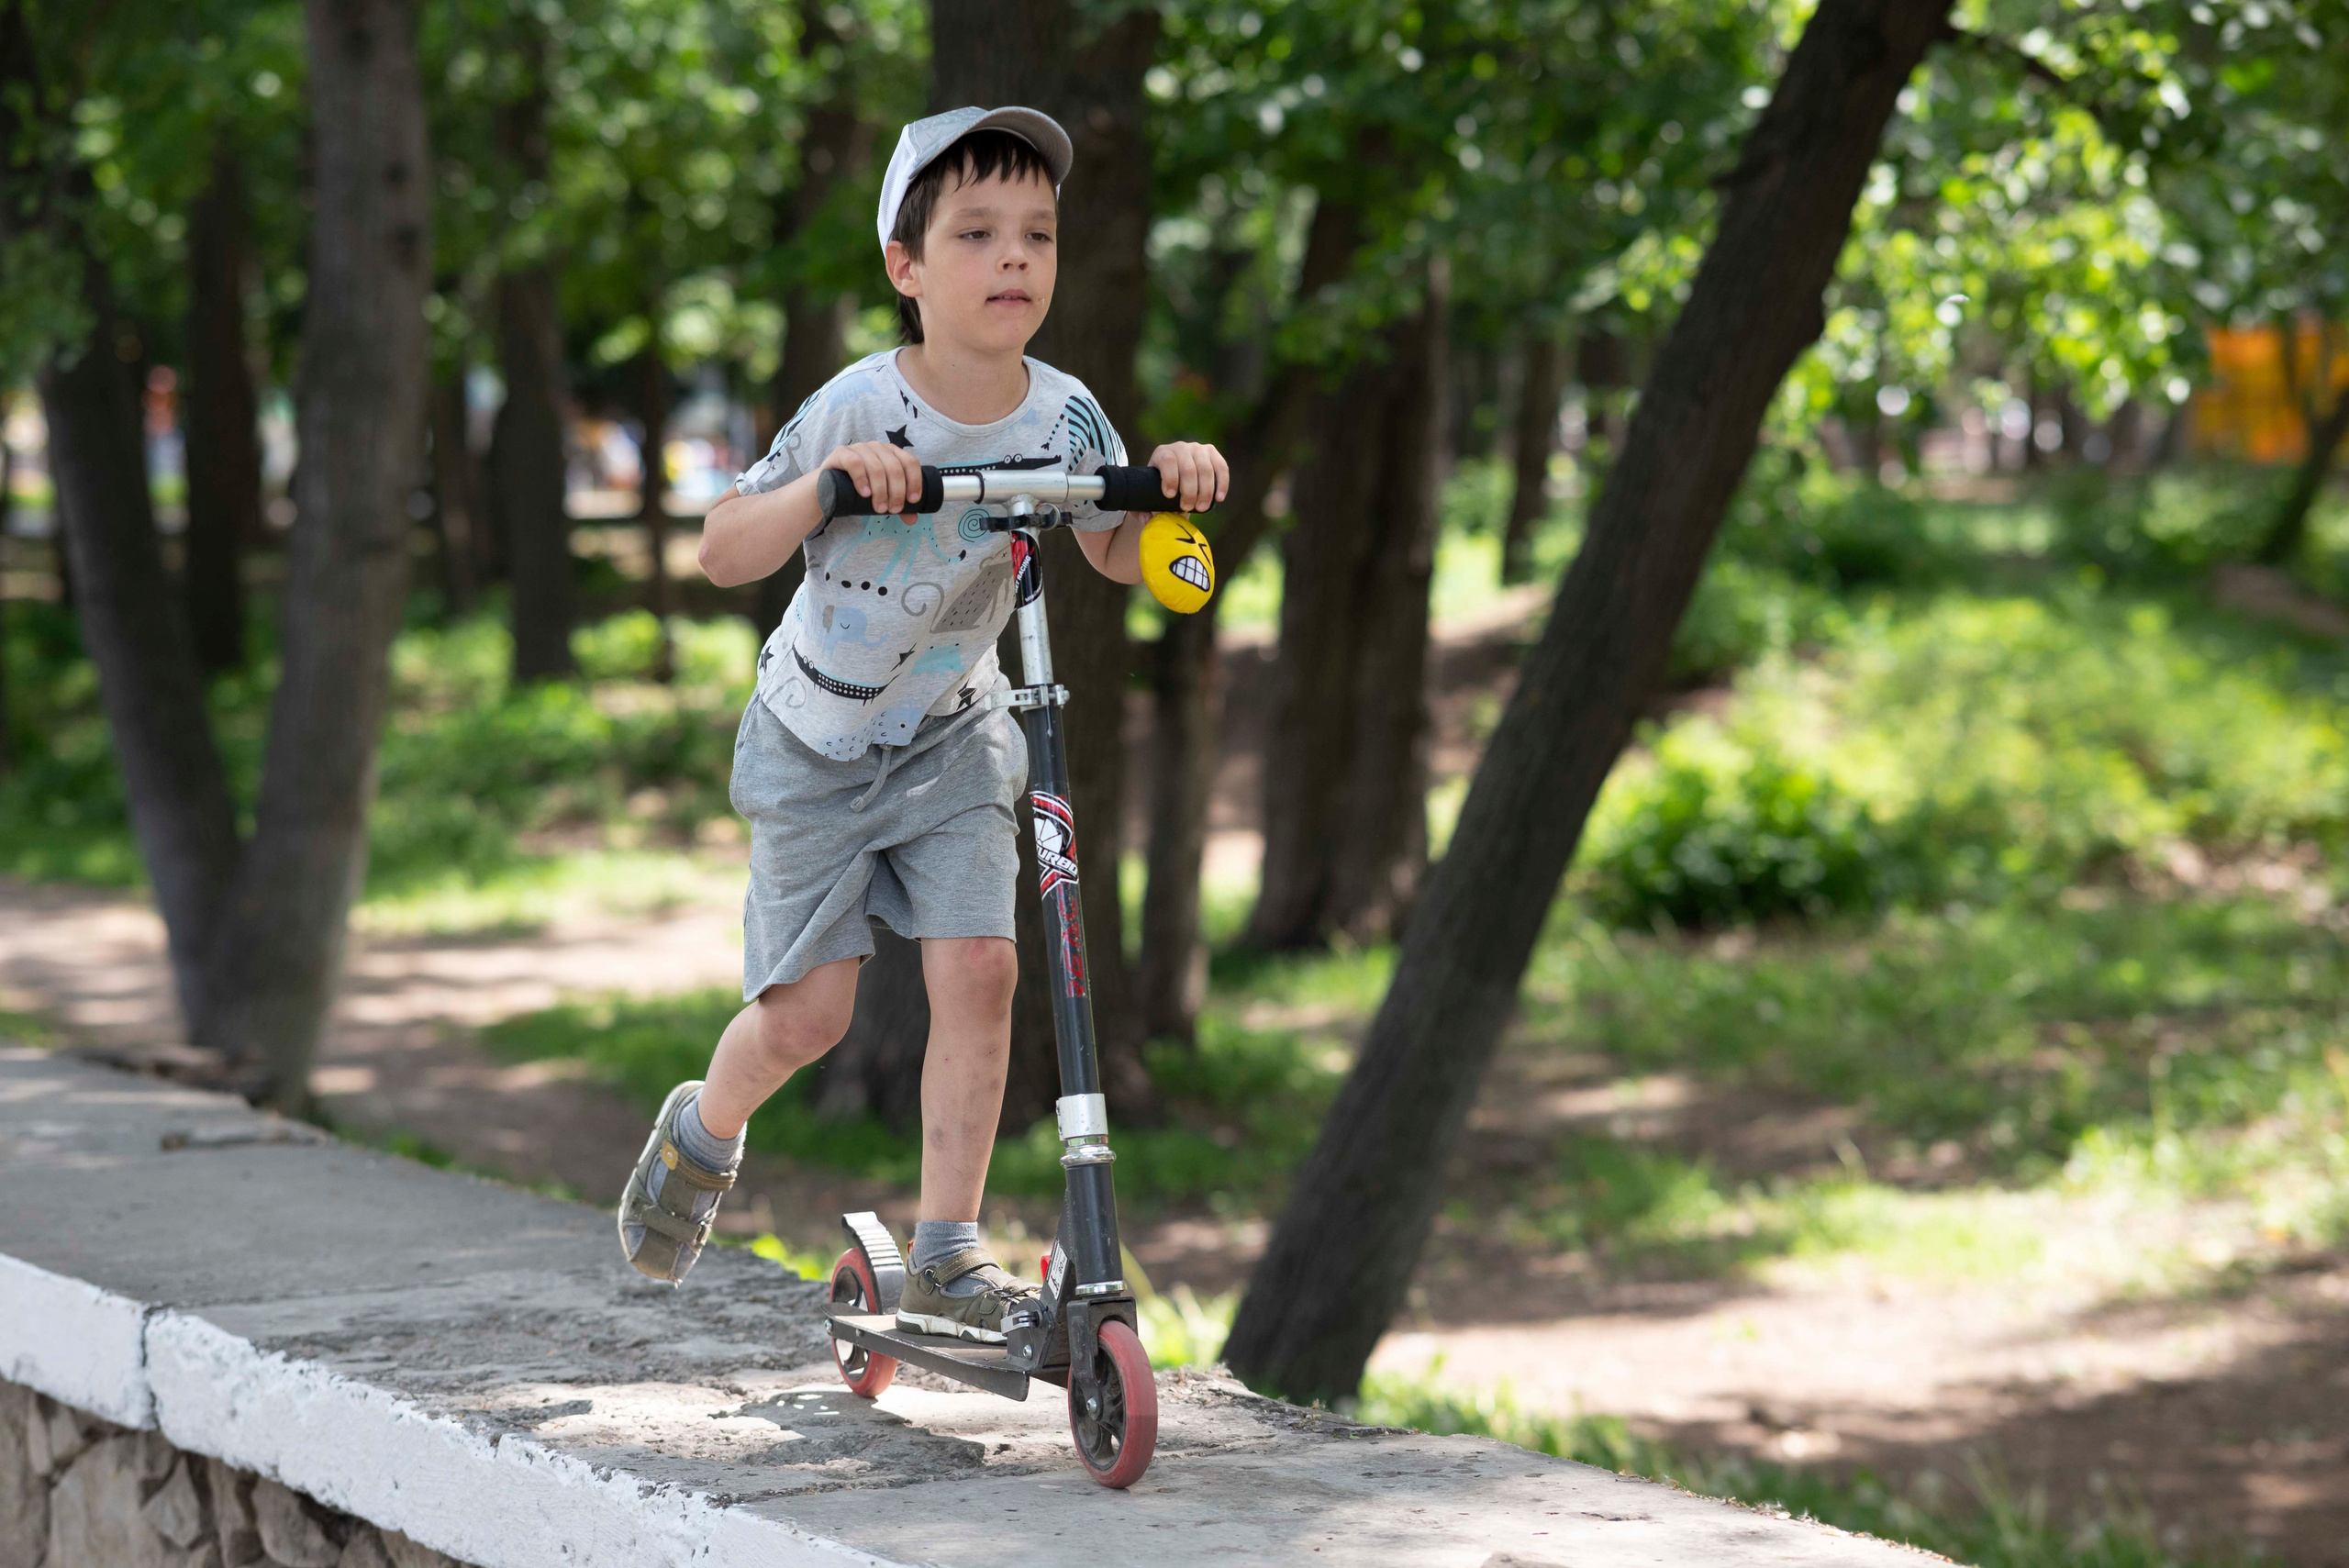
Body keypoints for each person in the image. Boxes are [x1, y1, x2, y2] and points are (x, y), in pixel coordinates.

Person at [617, 106, 1228, 1344]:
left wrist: (1166, 482)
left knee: (987, 968)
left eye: (1037, 235)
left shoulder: (1062, 416)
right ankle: (703, 1128)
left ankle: (949, 1254)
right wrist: (828, 488)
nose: (1015, 258)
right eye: (977, 233)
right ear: (906, 267)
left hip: (955, 731)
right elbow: (724, 546)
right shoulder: (857, 404)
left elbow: (1113, 541)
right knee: (811, 1015)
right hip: (818, 742)